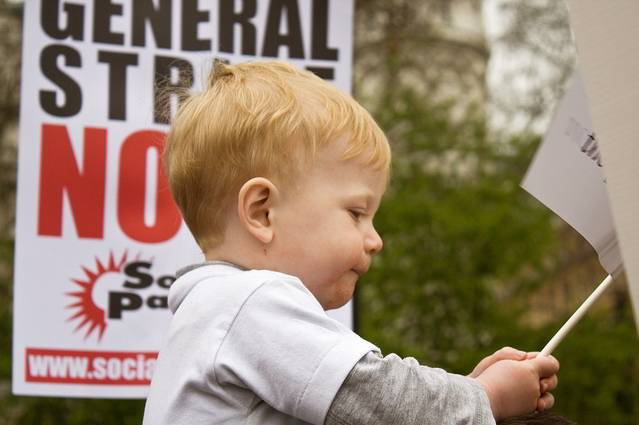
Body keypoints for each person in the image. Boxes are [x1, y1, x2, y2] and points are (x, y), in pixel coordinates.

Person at [142, 60, 560, 425]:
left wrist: (463, 393)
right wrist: (488, 396)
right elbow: (379, 402)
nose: (375, 240)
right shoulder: (249, 303)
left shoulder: (218, 311)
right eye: (357, 213)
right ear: (262, 212)